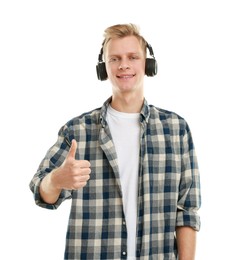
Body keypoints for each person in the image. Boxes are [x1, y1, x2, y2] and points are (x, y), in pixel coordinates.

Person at [29, 23, 201, 260]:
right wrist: (57, 179)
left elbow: (187, 211)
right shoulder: (77, 130)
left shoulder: (176, 129)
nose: (124, 65)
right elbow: (41, 192)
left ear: (147, 64)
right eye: (115, 59)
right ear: (104, 68)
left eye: (133, 57)